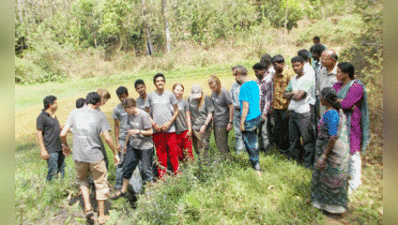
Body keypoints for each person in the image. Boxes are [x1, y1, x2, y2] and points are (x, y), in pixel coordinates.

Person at [60, 92, 120, 225]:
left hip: (79, 156)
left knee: (82, 180)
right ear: (98, 103)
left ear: (86, 101)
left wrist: (65, 146)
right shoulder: (100, 115)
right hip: (95, 156)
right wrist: (115, 153)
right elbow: (107, 137)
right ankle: (102, 216)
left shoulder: (74, 113)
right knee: (100, 182)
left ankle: (87, 207)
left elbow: (62, 133)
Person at [311, 87, 350, 215]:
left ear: (325, 99)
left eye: (321, 96)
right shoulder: (336, 111)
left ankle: (331, 207)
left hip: (332, 152)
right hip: (332, 149)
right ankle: (322, 203)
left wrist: (324, 155)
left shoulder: (331, 114)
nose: (319, 99)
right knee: (324, 177)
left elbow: (333, 136)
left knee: (330, 180)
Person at [333, 62, 370, 194]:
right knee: (341, 150)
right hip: (338, 121)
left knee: (353, 152)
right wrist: (340, 102)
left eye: (338, 72)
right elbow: (332, 99)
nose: (336, 74)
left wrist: (339, 102)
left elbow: (347, 104)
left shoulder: (356, 86)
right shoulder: (337, 85)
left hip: (352, 123)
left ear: (346, 73)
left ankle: (355, 181)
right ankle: (344, 177)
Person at [111, 98, 154, 198]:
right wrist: (126, 143)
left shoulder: (144, 115)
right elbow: (129, 131)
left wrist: (139, 131)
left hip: (145, 147)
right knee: (127, 167)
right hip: (133, 145)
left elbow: (151, 132)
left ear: (131, 107)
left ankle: (149, 193)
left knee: (145, 170)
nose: (125, 111)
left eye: (126, 109)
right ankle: (123, 190)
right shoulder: (129, 115)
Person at [145, 73, 180, 178]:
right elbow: (146, 113)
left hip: (170, 129)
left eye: (161, 81)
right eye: (157, 81)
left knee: (174, 153)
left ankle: (177, 174)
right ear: (155, 83)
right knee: (161, 155)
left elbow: (177, 110)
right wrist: (154, 124)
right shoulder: (150, 96)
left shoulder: (170, 95)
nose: (160, 83)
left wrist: (169, 122)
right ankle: (162, 177)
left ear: (164, 82)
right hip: (157, 131)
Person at [283, 56, 316, 169]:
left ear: (303, 65)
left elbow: (299, 96)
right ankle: (295, 161)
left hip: (303, 113)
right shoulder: (293, 79)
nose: (295, 68)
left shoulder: (308, 78)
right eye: (293, 66)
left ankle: (308, 164)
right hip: (293, 112)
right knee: (293, 139)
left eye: (297, 65)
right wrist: (293, 92)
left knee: (307, 140)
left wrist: (292, 94)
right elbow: (284, 95)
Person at [233, 65, 262, 174]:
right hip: (257, 116)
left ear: (240, 74)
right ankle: (255, 162)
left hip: (249, 118)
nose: (235, 78)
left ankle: (256, 167)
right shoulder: (254, 84)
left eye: (236, 75)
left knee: (250, 143)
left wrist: (241, 123)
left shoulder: (244, 87)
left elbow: (245, 106)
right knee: (254, 140)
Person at [36, 95, 65, 182]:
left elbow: (60, 128)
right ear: (50, 105)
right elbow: (39, 134)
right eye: (55, 103)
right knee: (53, 170)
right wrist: (43, 150)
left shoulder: (54, 116)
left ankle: (61, 188)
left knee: (62, 170)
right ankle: (50, 188)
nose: (57, 105)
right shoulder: (42, 117)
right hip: (50, 149)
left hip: (59, 147)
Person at [270, 55, 295, 153]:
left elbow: (292, 92)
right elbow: (275, 91)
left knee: (287, 130)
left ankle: (288, 149)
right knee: (278, 128)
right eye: (273, 65)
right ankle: (281, 148)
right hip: (276, 107)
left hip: (286, 107)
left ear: (282, 63)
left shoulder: (289, 75)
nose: (274, 67)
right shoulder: (275, 74)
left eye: (276, 65)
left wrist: (290, 107)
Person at [208, 75, 234, 160]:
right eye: (211, 88)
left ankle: (226, 160)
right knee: (218, 142)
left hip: (223, 120)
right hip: (216, 120)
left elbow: (231, 106)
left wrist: (230, 122)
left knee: (222, 142)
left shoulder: (224, 92)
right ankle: (224, 159)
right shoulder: (213, 93)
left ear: (218, 84)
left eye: (214, 87)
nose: (213, 89)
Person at [188, 84, 214, 160]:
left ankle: (206, 165)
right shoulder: (190, 98)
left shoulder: (206, 99)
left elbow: (210, 114)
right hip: (194, 127)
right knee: (197, 148)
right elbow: (188, 112)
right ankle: (200, 165)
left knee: (203, 148)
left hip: (204, 127)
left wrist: (205, 125)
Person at [253, 62, 273, 153]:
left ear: (263, 70)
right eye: (255, 71)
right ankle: (260, 148)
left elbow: (268, 99)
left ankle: (267, 149)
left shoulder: (268, 81)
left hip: (263, 111)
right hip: (256, 110)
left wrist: (264, 114)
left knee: (265, 131)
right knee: (258, 131)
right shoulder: (256, 82)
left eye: (258, 71)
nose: (256, 73)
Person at [112, 86, 130, 190]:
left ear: (127, 95)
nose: (122, 99)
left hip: (134, 137)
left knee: (139, 162)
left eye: (124, 96)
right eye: (120, 97)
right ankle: (118, 184)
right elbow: (116, 126)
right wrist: (117, 141)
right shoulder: (117, 109)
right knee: (121, 162)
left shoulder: (133, 105)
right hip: (123, 138)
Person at [172, 83, 194, 162]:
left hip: (184, 130)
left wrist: (189, 129)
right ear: (173, 90)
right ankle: (183, 170)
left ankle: (192, 170)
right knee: (179, 154)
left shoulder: (184, 102)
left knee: (188, 152)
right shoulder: (170, 102)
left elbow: (188, 117)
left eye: (181, 90)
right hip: (174, 132)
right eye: (177, 90)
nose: (179, 92)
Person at [298, 49, 317, 137]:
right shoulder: (310, 68)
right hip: (310, 100)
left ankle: (310, 149)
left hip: (307, 101)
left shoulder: (305, 70)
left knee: (307, 126)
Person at [316, 49, 339, 119]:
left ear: (333, 60)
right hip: (323, 108)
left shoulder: (340, 72)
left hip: (336, 110)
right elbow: (318, 90)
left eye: (324, 59)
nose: (321, 61)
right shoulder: (321, 71)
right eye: (321, 59)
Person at [230, 69, 246, 155]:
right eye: (235, 75)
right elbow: (231, 99)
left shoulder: (248, 85)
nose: (236, 77)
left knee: (247, 131)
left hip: (247, 112)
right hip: (237, 111)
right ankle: (239, 150)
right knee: (238, 132)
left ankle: (248, 150)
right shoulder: (234, 86)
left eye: (237, 75)